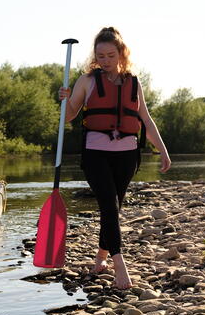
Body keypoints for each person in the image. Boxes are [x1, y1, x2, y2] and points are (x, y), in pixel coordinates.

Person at [59, 27, 171, 289]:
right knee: (109, 207)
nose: (105, 60)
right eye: (100, 55)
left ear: (121, 54)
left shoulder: (133, 81)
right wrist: (65, 102)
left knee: (114, 208)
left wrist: (162, 150)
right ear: (95, 56)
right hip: (95, 154)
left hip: (127, 155)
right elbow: (69, 116)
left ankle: (101, 257)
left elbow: (145, 119)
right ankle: (120, 266)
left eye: (110, 55)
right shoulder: (87, 81)